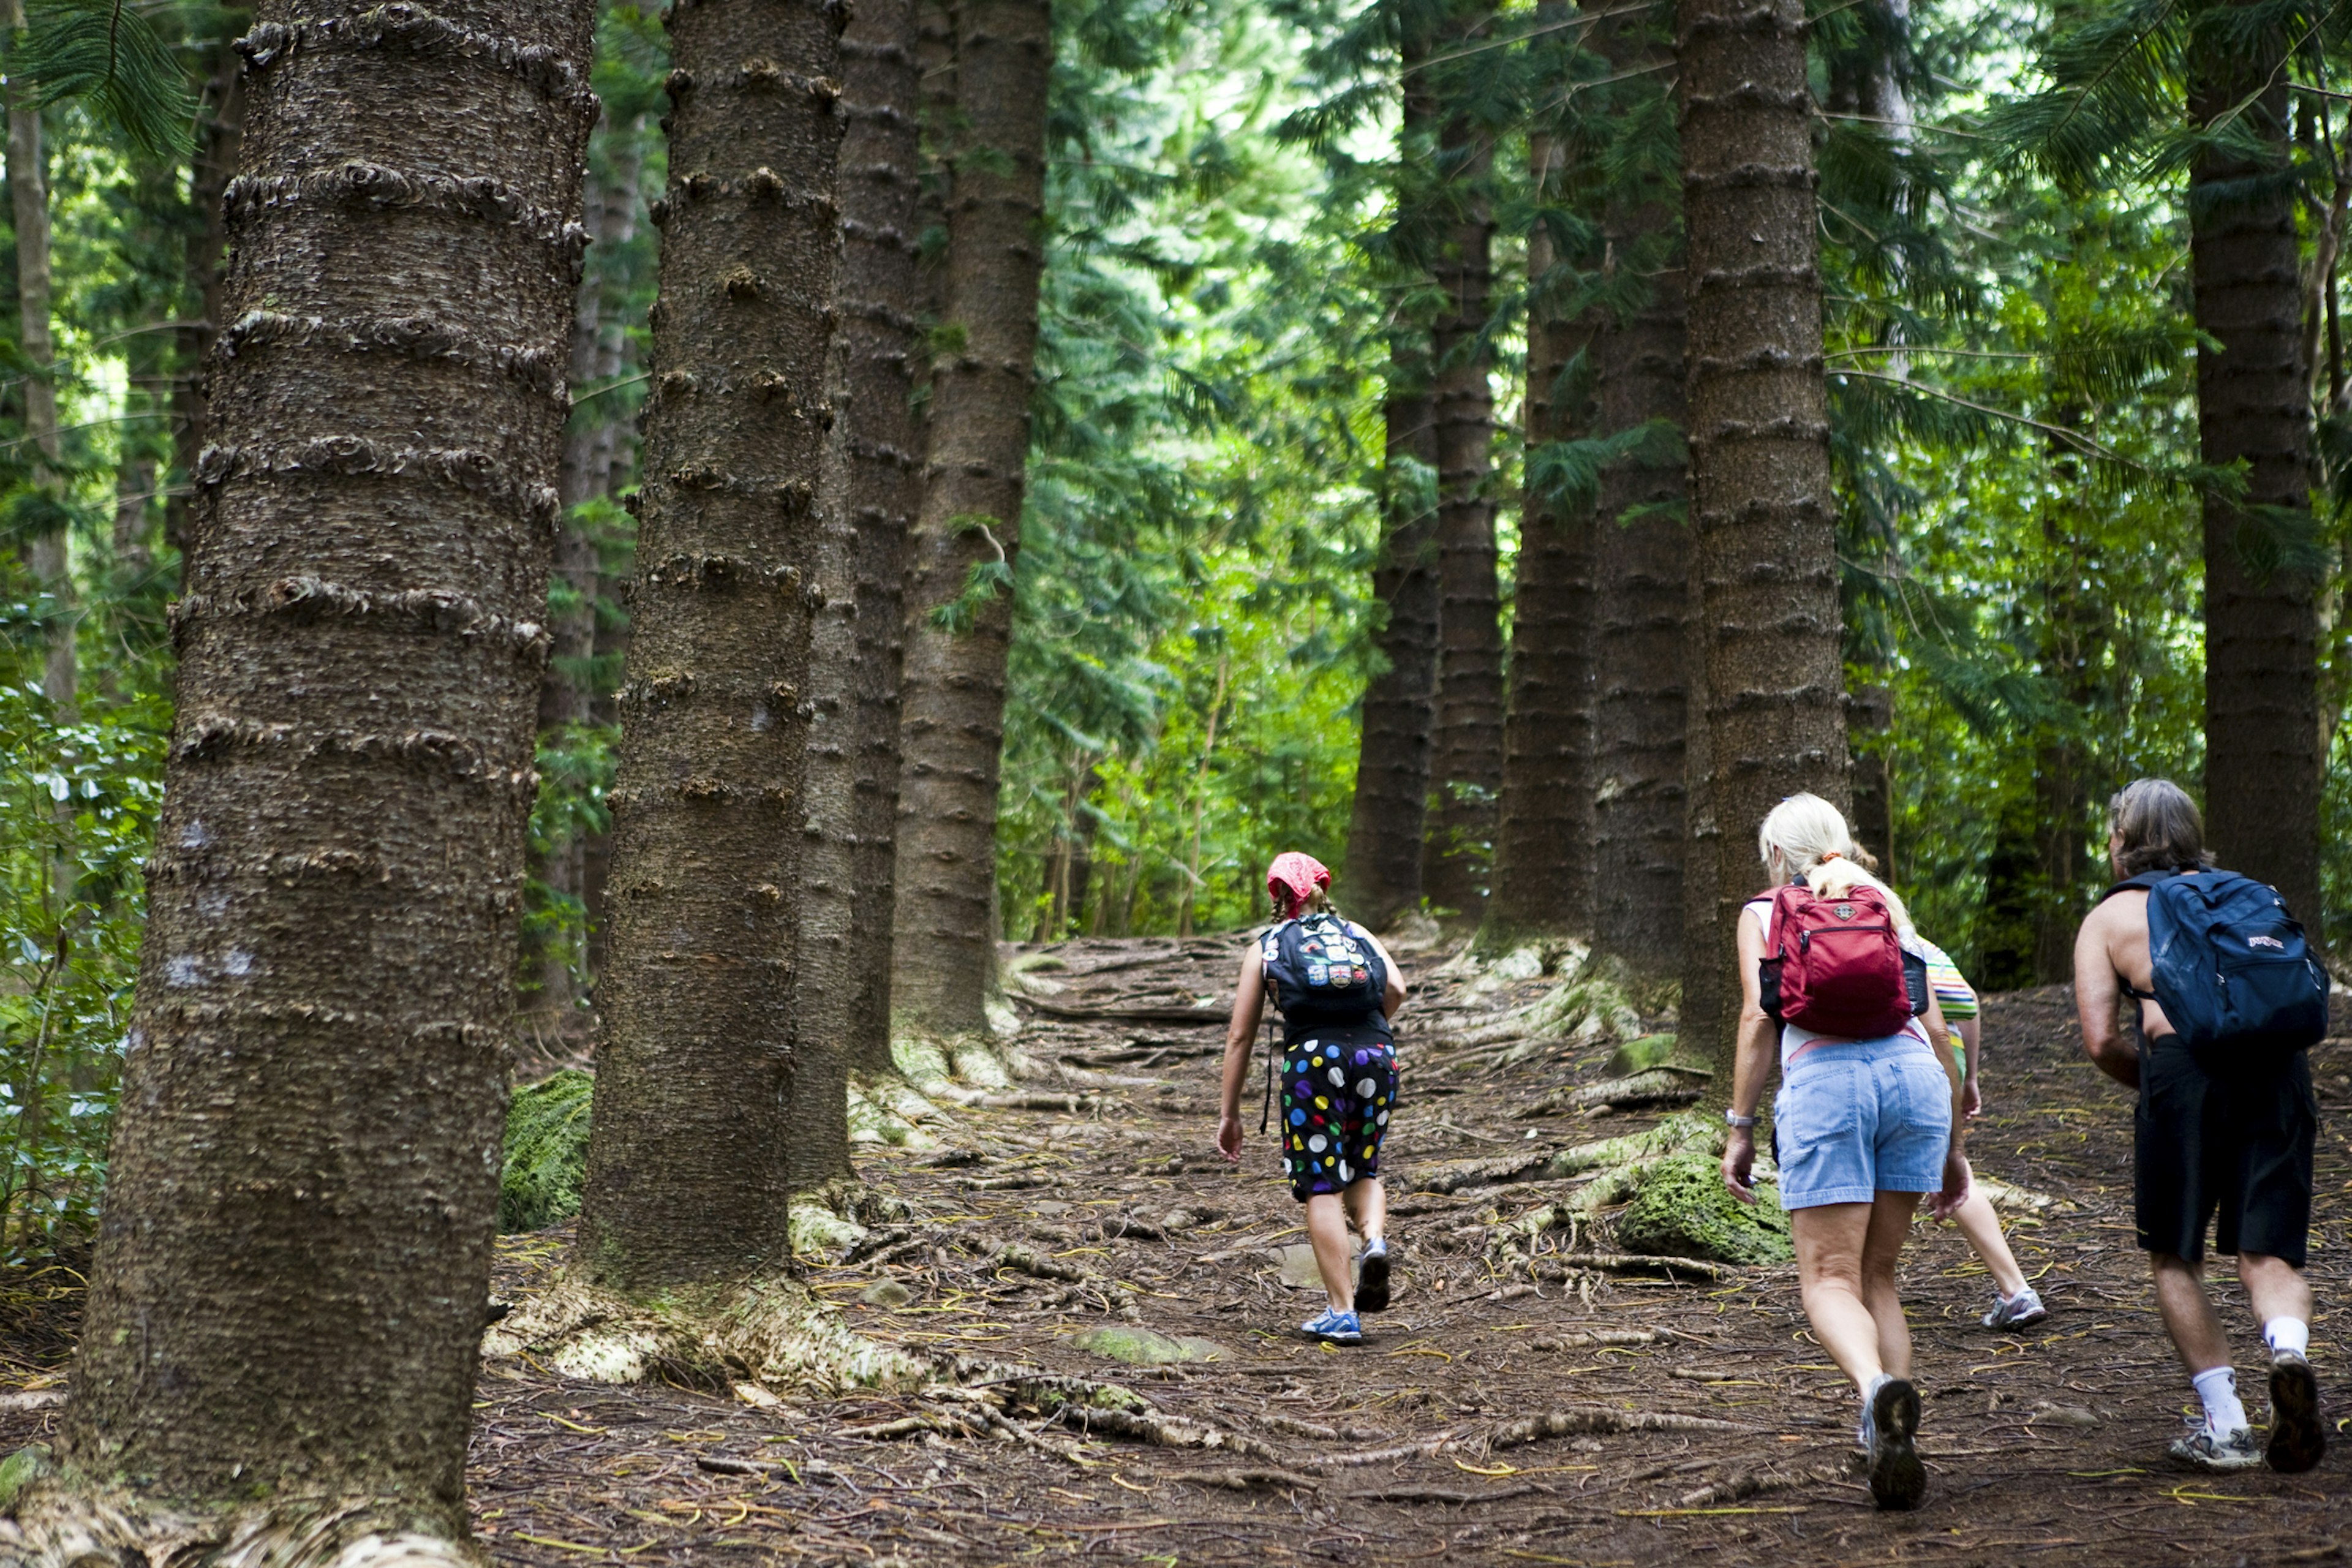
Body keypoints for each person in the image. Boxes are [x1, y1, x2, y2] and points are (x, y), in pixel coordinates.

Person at [1721, 795, 1969, 1511]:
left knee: (1830, 1278)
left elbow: (1756, 1018)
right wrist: (1955, 1141)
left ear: (1776, 855)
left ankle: (1874, 1393)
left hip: (1828, 1086)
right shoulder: (1884, 902)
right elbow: (1934, 1021)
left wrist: (1741, 1125)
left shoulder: (1766, 911)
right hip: (1916, 1082)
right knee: (1878, 1276)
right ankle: (1896, 1438)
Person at [2071, 778, 2326, 1474]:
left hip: (2185, 1074)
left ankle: (2228, 1424)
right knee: (2269, 1250)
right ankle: (2289, 1352)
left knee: (2174, 1254)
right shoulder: (2247, 893)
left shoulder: (2113, 916)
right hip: (2276, 1073)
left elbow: (2100, 1040)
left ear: (2122, 842)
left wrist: (2160, 1088)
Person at [1847, 848, 2047, 1330]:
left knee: (1932, 1174)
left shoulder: (1844, 937)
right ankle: (2015, 1288)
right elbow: (1966, 1005)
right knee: (1947, 1169)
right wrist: (1969, 1074)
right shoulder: (1918, 941)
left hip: (1884, 1065)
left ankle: (2014, 1289)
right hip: (1936, 1066)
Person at [1216, 851, 1408, 1344]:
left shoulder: (1269, 945)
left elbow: (1240, 1037)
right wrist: (1369, 1035)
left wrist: (1230, 1113)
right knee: (1363, 1167)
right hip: (1376, 1057)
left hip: (1313, 1065)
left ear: (1277, 894)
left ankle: (1342, 1312)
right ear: (1324, 885)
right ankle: (1375, 1241)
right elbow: (1399, 990)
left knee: (1322, 1184)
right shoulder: (1358, 933)